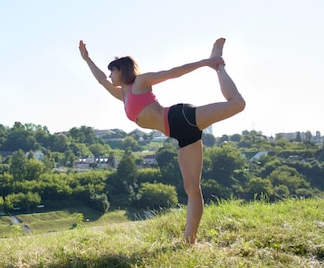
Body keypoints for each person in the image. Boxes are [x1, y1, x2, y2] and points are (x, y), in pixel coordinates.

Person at [78, 38, 245, 244]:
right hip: (180, 134)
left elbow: (173, 72)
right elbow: (101, 80)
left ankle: (218, 64)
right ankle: (188, 242)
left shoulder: (140, 83)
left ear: (122, 70)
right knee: (192, 187)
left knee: (237, 104)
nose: (110, 75)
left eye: (113, 70)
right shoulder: (124, 95)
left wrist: (206, 62)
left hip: (179, 117)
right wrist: (87, 59)